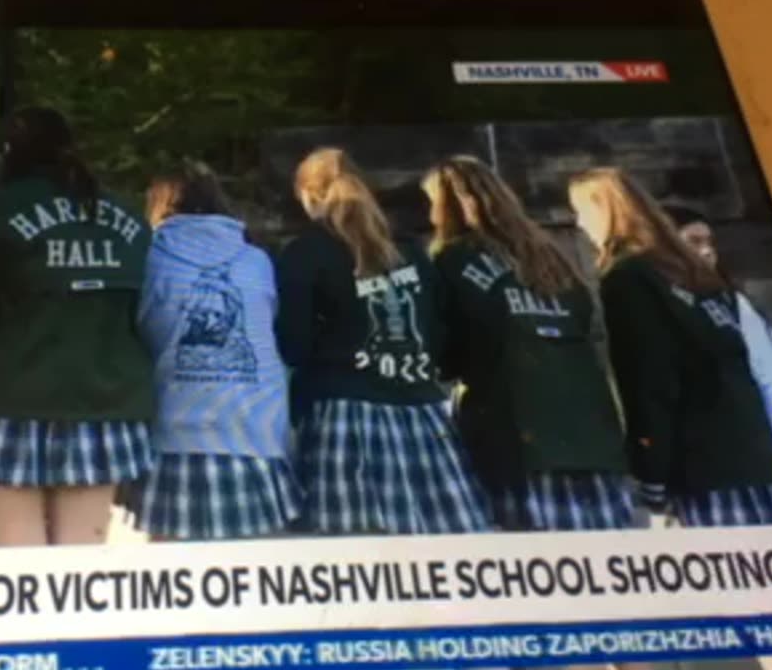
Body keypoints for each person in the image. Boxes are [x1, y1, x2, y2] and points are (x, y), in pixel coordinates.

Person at [0, 106, 154, 547]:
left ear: (9, 153)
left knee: (18, 558)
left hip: (9, 398)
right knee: (80, 564)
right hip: (104, 399)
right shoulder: (128, 219)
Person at [568, 167, 772, 527]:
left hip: (702, 467)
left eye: (581, 211)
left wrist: (651, 472)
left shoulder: (629, 277)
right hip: (760, 460)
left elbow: (648, 378)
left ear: (603, 211)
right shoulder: (701, 275)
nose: (580, 223)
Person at [276, 148, 489, 535]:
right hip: (423, 415)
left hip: (342, 418)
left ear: (309, 197)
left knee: (351, 558)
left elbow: (293, 343)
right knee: (448, 551)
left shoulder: (306, 252)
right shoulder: (410, 250)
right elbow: (438, 329)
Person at [421, 156, 631, 532]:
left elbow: (446, 356)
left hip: (516, 437)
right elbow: (585, 324)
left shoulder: (452, 260)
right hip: (592, 437)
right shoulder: (552, 258)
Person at [128, 162, 299, 540]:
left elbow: (141, 333)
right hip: (256, 436)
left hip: (175, 438)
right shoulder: (256, 260)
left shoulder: (148, 256)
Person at [664, 202, 772, 513]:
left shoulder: (734, 300)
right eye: (694, 241)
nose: (707, 252)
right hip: (762, 464)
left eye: (710, 243)